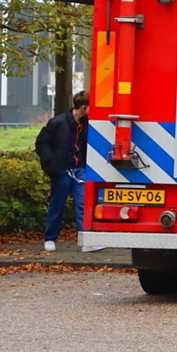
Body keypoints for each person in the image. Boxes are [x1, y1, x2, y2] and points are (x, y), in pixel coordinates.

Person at [36, 91, 103, 252]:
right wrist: (50, 163)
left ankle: (86, 239)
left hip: (80, 169)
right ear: (83, 107)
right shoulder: (57, 123)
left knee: (84, 204)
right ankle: (50, 238)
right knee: (57, 205)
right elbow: (42, 143)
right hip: (62, 170)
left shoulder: (87, 124)